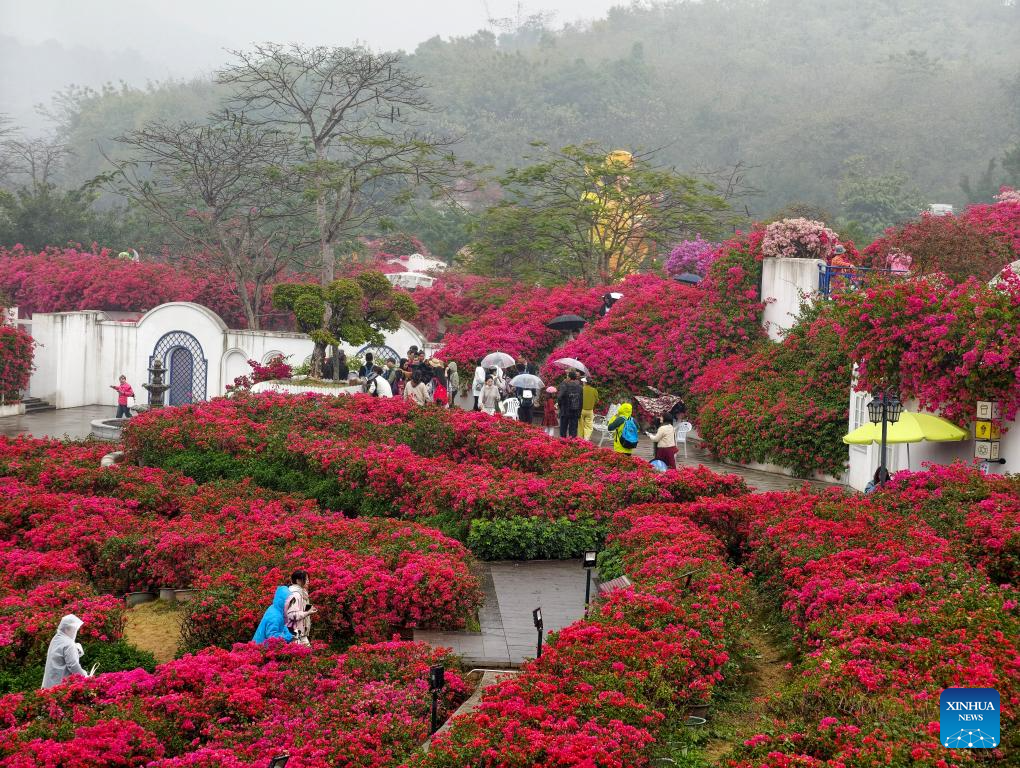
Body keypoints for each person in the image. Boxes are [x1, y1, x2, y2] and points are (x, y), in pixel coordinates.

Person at [41, 614, 89, 689]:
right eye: (74, 629)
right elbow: (73, 665)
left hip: (49, 684)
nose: (75, 632)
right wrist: (84, 677)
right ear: (67, 629)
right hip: (60, 687)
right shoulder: (69, 644)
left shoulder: (56, 638)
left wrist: (76, 650)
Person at [284, 570, 316, 646]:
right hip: (294, 632)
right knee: (301, 655)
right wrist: (308, 612)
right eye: (306, 579)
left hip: (301, 632)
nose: (308, 582)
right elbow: (292, 615)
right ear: (298, 581)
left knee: (307, 655)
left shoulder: (302, 592)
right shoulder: (295, 594)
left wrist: (308, 609)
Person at [557, 370, 584, 438]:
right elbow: (581, 401)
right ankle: (571, 445)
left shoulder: (564, 385)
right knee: (573, 429)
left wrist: (560, 407)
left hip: (565, 410)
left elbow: (559, 398)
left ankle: (562, 444)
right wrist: (579, 412)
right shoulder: (580, 387)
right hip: (575, 410)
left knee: (563, 428)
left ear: (569, 377)